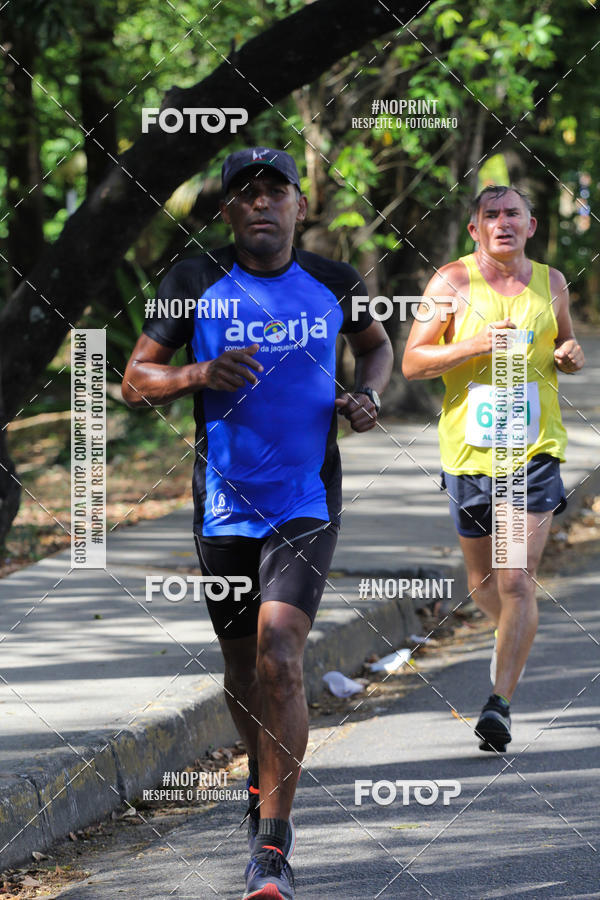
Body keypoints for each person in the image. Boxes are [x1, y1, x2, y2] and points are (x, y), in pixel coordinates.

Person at [122, 147, 393, 899]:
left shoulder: (336, 282)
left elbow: (376, 348)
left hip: (305, 499)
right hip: (223, 506)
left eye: (277, 191)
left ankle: (272, 846)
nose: (262, 203)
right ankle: (258, 781)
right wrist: (197, 373)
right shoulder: (192, 282)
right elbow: (133, 381)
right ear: (227, 211)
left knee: (281, 656)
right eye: (246, 194)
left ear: (301, 206)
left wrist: (368, 396)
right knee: (242, 669)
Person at [402, 185, 584, 753]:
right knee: (484, 585)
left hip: (533, 452)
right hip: (469, 454)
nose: (502, 222)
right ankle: (509, 636)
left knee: (515, 579)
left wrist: (570, 355)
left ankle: (499, 703)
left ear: (531, 226)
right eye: (491, 215)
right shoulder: (450, 283)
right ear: (475, 229)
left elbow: (566, 342)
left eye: (513, 214)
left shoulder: (553, 282)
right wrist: (475, 345)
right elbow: (412, 362)